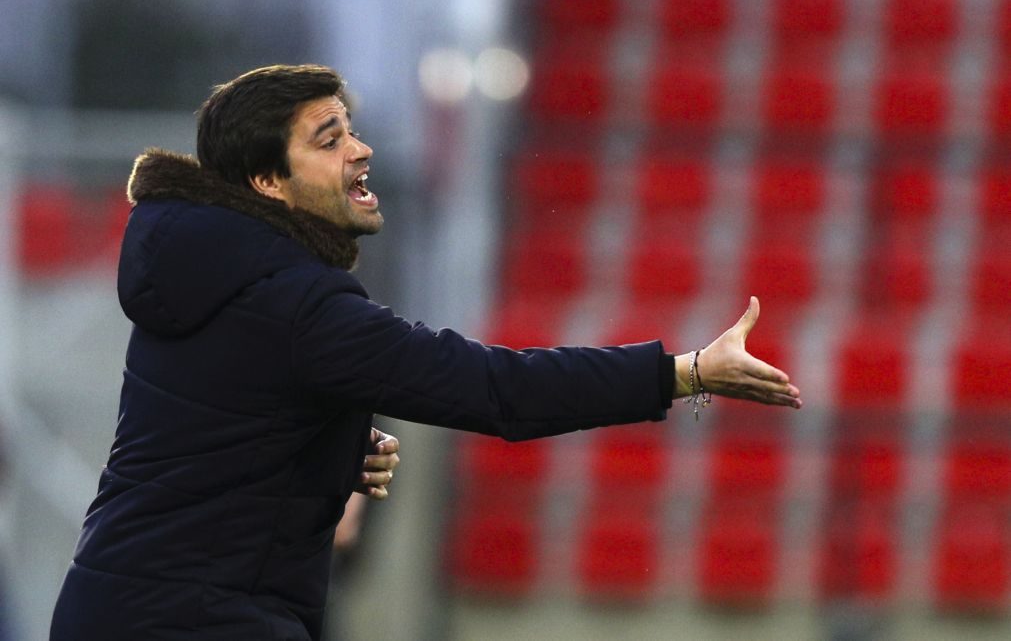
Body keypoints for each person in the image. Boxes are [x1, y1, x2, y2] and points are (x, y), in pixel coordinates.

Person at [50, 64, 801, 641]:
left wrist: (325, 441)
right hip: (196, 621)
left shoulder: (200, 273)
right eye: (328, 139)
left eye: (349, 128)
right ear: (267, 183)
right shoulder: (301, 305)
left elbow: (217, 430)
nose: (360, 148)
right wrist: (684, 373)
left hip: (113, 603)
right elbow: (494, 389)